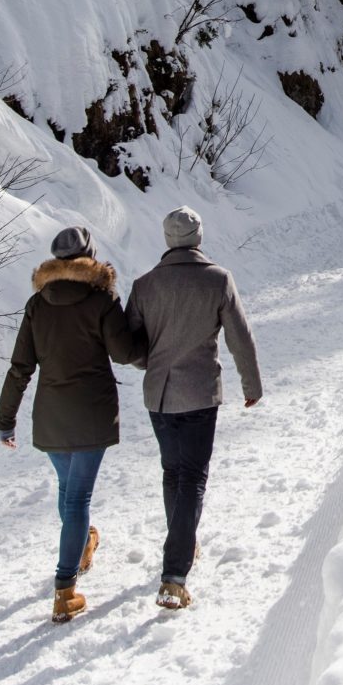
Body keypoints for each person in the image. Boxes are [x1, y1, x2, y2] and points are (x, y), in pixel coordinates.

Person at [0, 225, 145, 623]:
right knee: (77, 499)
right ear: (89, 257)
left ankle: (81, 547)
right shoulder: (102, 299)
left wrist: (5, 420)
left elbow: (20, 367)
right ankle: (65, 590)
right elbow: (124, 352)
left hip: (51, 413)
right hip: (92, 411)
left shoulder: (37, 304)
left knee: (68, 491)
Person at [124, 206, 262, 610]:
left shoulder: (145, 285)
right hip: (201, 393)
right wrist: (250, 384)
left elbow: (132, 345)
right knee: (193, 478)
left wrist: (151, 363)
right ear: (198, 238)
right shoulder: (218, 280)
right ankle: (175, 575)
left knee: (173, 472)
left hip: (160, 397)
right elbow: (240, 336)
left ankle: (180, 542)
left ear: (168, 240)